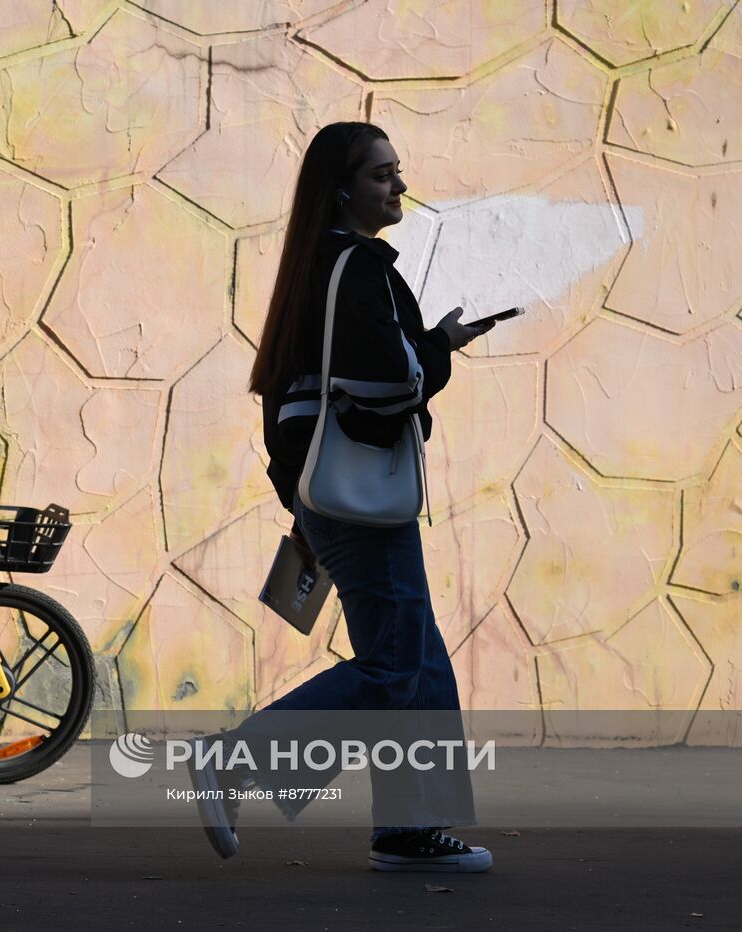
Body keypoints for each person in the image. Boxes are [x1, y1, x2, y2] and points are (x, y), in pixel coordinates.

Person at [188, 121, 494, 872]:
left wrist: (295, 496)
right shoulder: (357, 270)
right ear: (343, 188)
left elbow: (285, 396)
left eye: (398, 171)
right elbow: (395, 383)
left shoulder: (315, 269)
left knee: (416, 655)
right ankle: (235, 762)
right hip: (362, 504)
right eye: (383, 174)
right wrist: (439, 351)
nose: (399, 185)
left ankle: (410, 829)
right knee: (395, 665)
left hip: (330, 497)